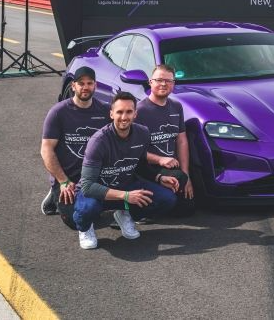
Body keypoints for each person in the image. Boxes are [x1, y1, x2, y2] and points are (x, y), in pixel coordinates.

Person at [73, 92, 180, 249]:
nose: (124, 117)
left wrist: (158, 178)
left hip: (125, 185)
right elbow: (88, 186)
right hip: (98, 190)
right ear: (111, 114)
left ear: (135, 113)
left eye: (129, 112)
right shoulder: (98, 141)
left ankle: (124, 212)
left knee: (167, 199)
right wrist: (126, 196)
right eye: (119, 112)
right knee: (87, 209)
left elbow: (140, 165)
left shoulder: (142, 133)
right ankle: (86, 228)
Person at [40, 66, 110, 229]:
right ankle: (55, 191)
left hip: (95, 176)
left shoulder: (105, 111)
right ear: (73, 86)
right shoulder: (58, 112)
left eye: (89, 83)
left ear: (95, 85)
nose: (85, 87)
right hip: (68, 178)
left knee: (95, 209)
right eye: (81, 83)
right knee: (75, 220)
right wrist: (63, 181)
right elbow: (46, 149)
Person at [136, 64, 195, 216]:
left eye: (168, 81)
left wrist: (186, 175)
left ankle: (165, 197)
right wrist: (160, 159)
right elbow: (132, 149)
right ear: (150, 82)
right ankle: (135, 210)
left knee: (187, 208)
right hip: (148, 167)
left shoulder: (176, 107)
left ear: (173, 84)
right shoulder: (139, 111)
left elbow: (181, 141)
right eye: (159, 80)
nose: (163, 84)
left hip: (172, 167)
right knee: (171, 197)